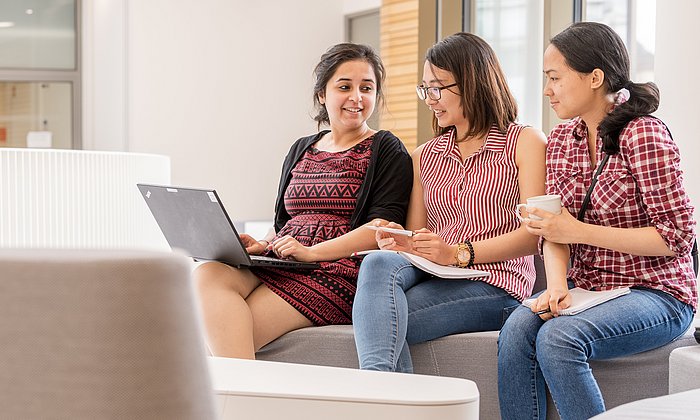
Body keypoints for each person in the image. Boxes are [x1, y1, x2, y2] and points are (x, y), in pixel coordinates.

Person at [498, 22, 697, 420]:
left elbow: (676, 238)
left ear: (594, 78)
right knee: (518, 329)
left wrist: (579, 232)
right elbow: (552, 229)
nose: (547, 89)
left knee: (558, 338)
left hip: (657, 292)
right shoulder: (560, 139)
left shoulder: (644, 135)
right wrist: (555, 286)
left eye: (555, 78)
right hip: (589, 287)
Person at [195, 43, 413, 359]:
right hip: (284, 258)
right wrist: (261, 244)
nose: (357, 97)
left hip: (336, 270)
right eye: (344, 86)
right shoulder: (302, 148)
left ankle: (241, 405)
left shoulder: (386, 148)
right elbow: (284, 223)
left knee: (233, 334)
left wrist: (311, 253)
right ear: (322, 94)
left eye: (367, 88)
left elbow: (380, 229)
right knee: (207, 273)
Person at [352, 32, 547, 373]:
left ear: (473, 83)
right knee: (378, 264)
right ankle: (382, 397)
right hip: (437, 277)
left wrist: (457, 253)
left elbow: (534, 236)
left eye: (438, 87)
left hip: (497, 284)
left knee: (382, 320)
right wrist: (402, 240)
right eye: (425, 88)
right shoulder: (424, 156)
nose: (429, 98)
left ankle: (376, 396)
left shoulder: (524, 142)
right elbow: (418, 236)